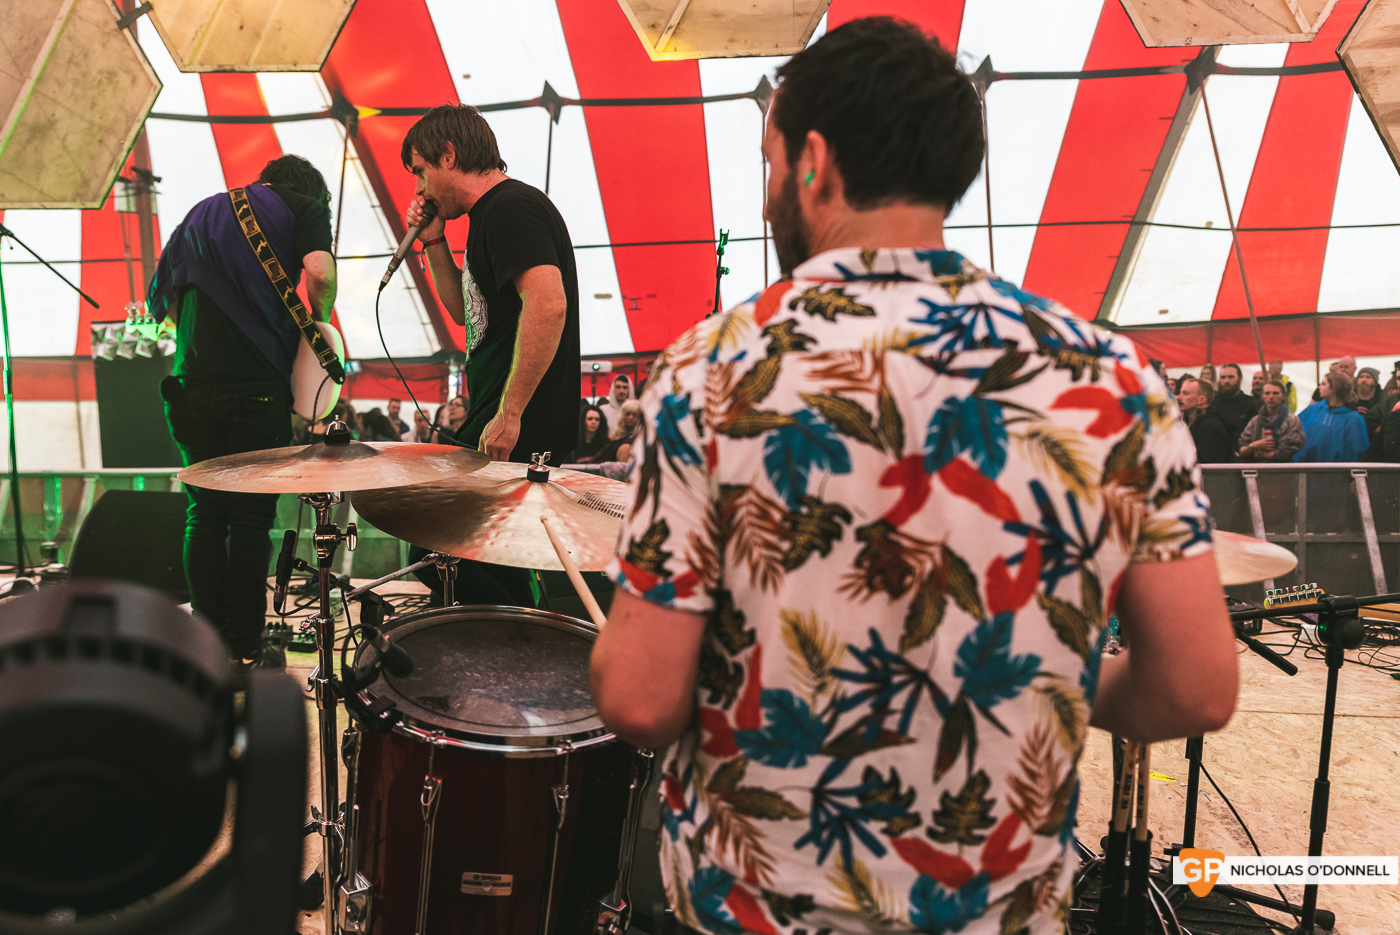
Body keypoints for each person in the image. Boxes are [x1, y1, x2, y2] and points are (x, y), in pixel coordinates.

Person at [588, 19, 1237, 935]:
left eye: (772, 161)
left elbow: (637, 699)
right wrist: (1025, 678)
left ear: (813, 160)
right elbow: (1196, 686)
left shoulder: (715, 370)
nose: (774, 188)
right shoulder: (1113, 380)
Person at [146, 154, 336, 671]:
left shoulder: (202, 211)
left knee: (204, 515)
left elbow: (156, 303)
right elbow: (318, 274)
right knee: (251, 521)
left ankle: (205, 645)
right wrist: (316, 323)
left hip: (189, 390)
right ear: (310, 193)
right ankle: (247, 648)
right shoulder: (304, 208)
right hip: (256, 394)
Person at [402, 103, 580, 463]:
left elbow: (548, 304)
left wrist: (510, 414)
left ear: (449, 155)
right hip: (495, 426)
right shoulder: (488, 215)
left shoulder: (509, 208)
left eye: (421, 172)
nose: (420, 190)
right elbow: (463, 313)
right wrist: (434, 241)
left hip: (520, 433)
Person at [1294, 371, 1368, 462]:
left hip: (1338, 472)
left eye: (1323, 384)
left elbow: (1357, 451)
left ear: (1334, 388)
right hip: (1305, 468)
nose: (1319, 387)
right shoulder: (1313, 409)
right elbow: (1295, 431)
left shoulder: (1353, 418)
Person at [1238, 379, 1305, 462]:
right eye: (1267, 393)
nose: (1271, 397)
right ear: (1262, 396)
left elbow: (1290, 450)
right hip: (1258, 471)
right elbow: (1242, 450)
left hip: (1283, 470)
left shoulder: (1292, 421)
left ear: (1283, 396)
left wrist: (1262, 455)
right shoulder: (1255, 421)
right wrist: (1254, 445)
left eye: (1275, 393)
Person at [1177, 377, 1235, 463]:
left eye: (1185, 393)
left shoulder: (1210, 426)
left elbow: (1208, 466)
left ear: (1201, 400)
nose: (1178, 397)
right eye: (1180, 392)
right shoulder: (1186, 423)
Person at [1211, 363, 1259, 442]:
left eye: (1230, 377)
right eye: (1223, 377)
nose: (1226, 381)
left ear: (1240, 379)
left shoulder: (1251, 405)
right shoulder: (1212, 404)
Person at [588, 399, 640, 464]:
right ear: (623, 415)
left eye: (634, 414)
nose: (630, 417)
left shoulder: (639, 437)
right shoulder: (614, 436)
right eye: (628, 414)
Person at [1354, 367, 1384, 453]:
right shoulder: (1349, 399)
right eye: (1361, 376)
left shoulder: (1383, 400)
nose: (1364, 380)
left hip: (1375, 444)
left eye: (1368, 377)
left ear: (1375, 381)